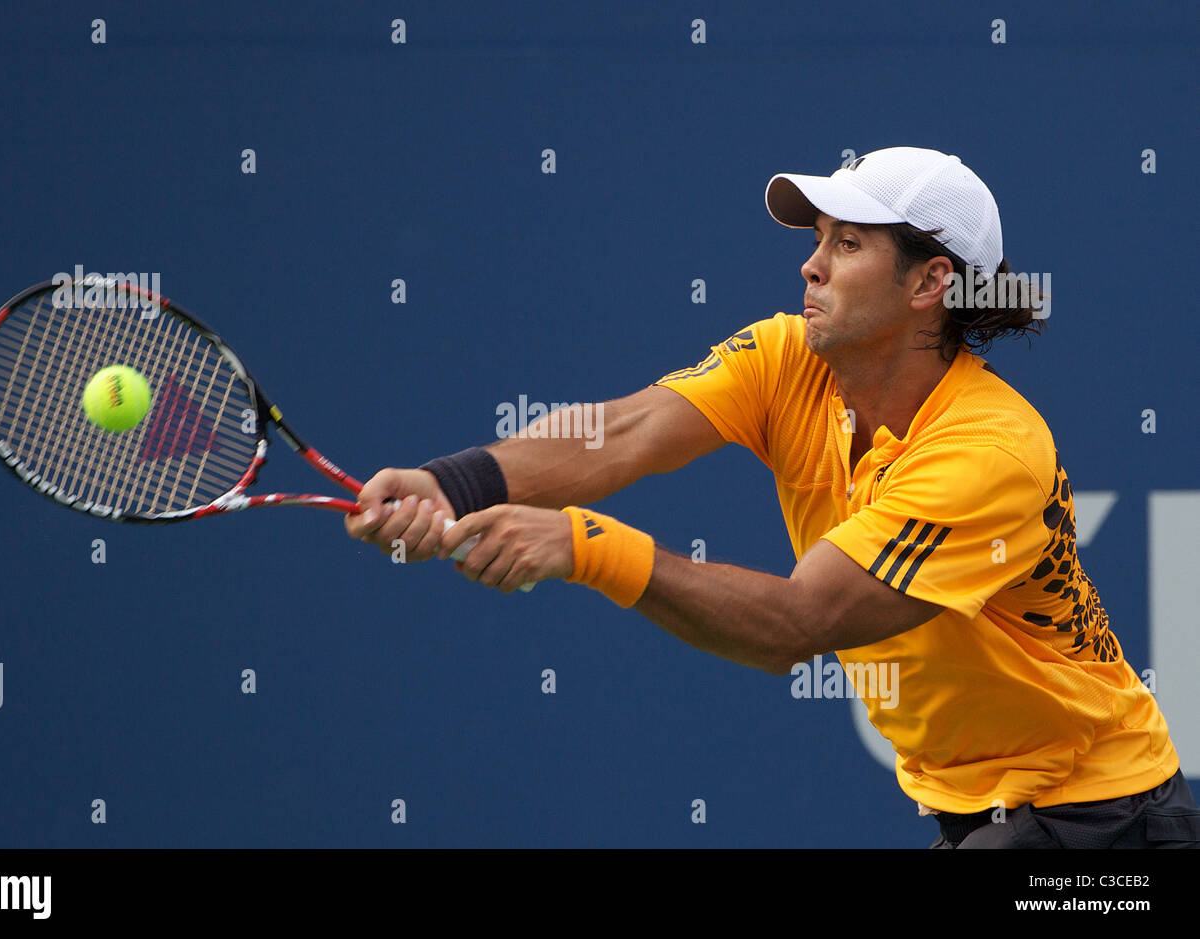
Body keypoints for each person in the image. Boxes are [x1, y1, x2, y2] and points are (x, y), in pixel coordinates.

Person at [345, 147, 1198, 848]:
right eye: (818, 237)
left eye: (847, 245)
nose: (811, 263)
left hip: (1101, 820)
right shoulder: (787, 356)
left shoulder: (988, 451)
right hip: (981, 809)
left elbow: (802, 624)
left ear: (930, 282)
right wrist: (451, 484)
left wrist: (583, 546)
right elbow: (625, 430)